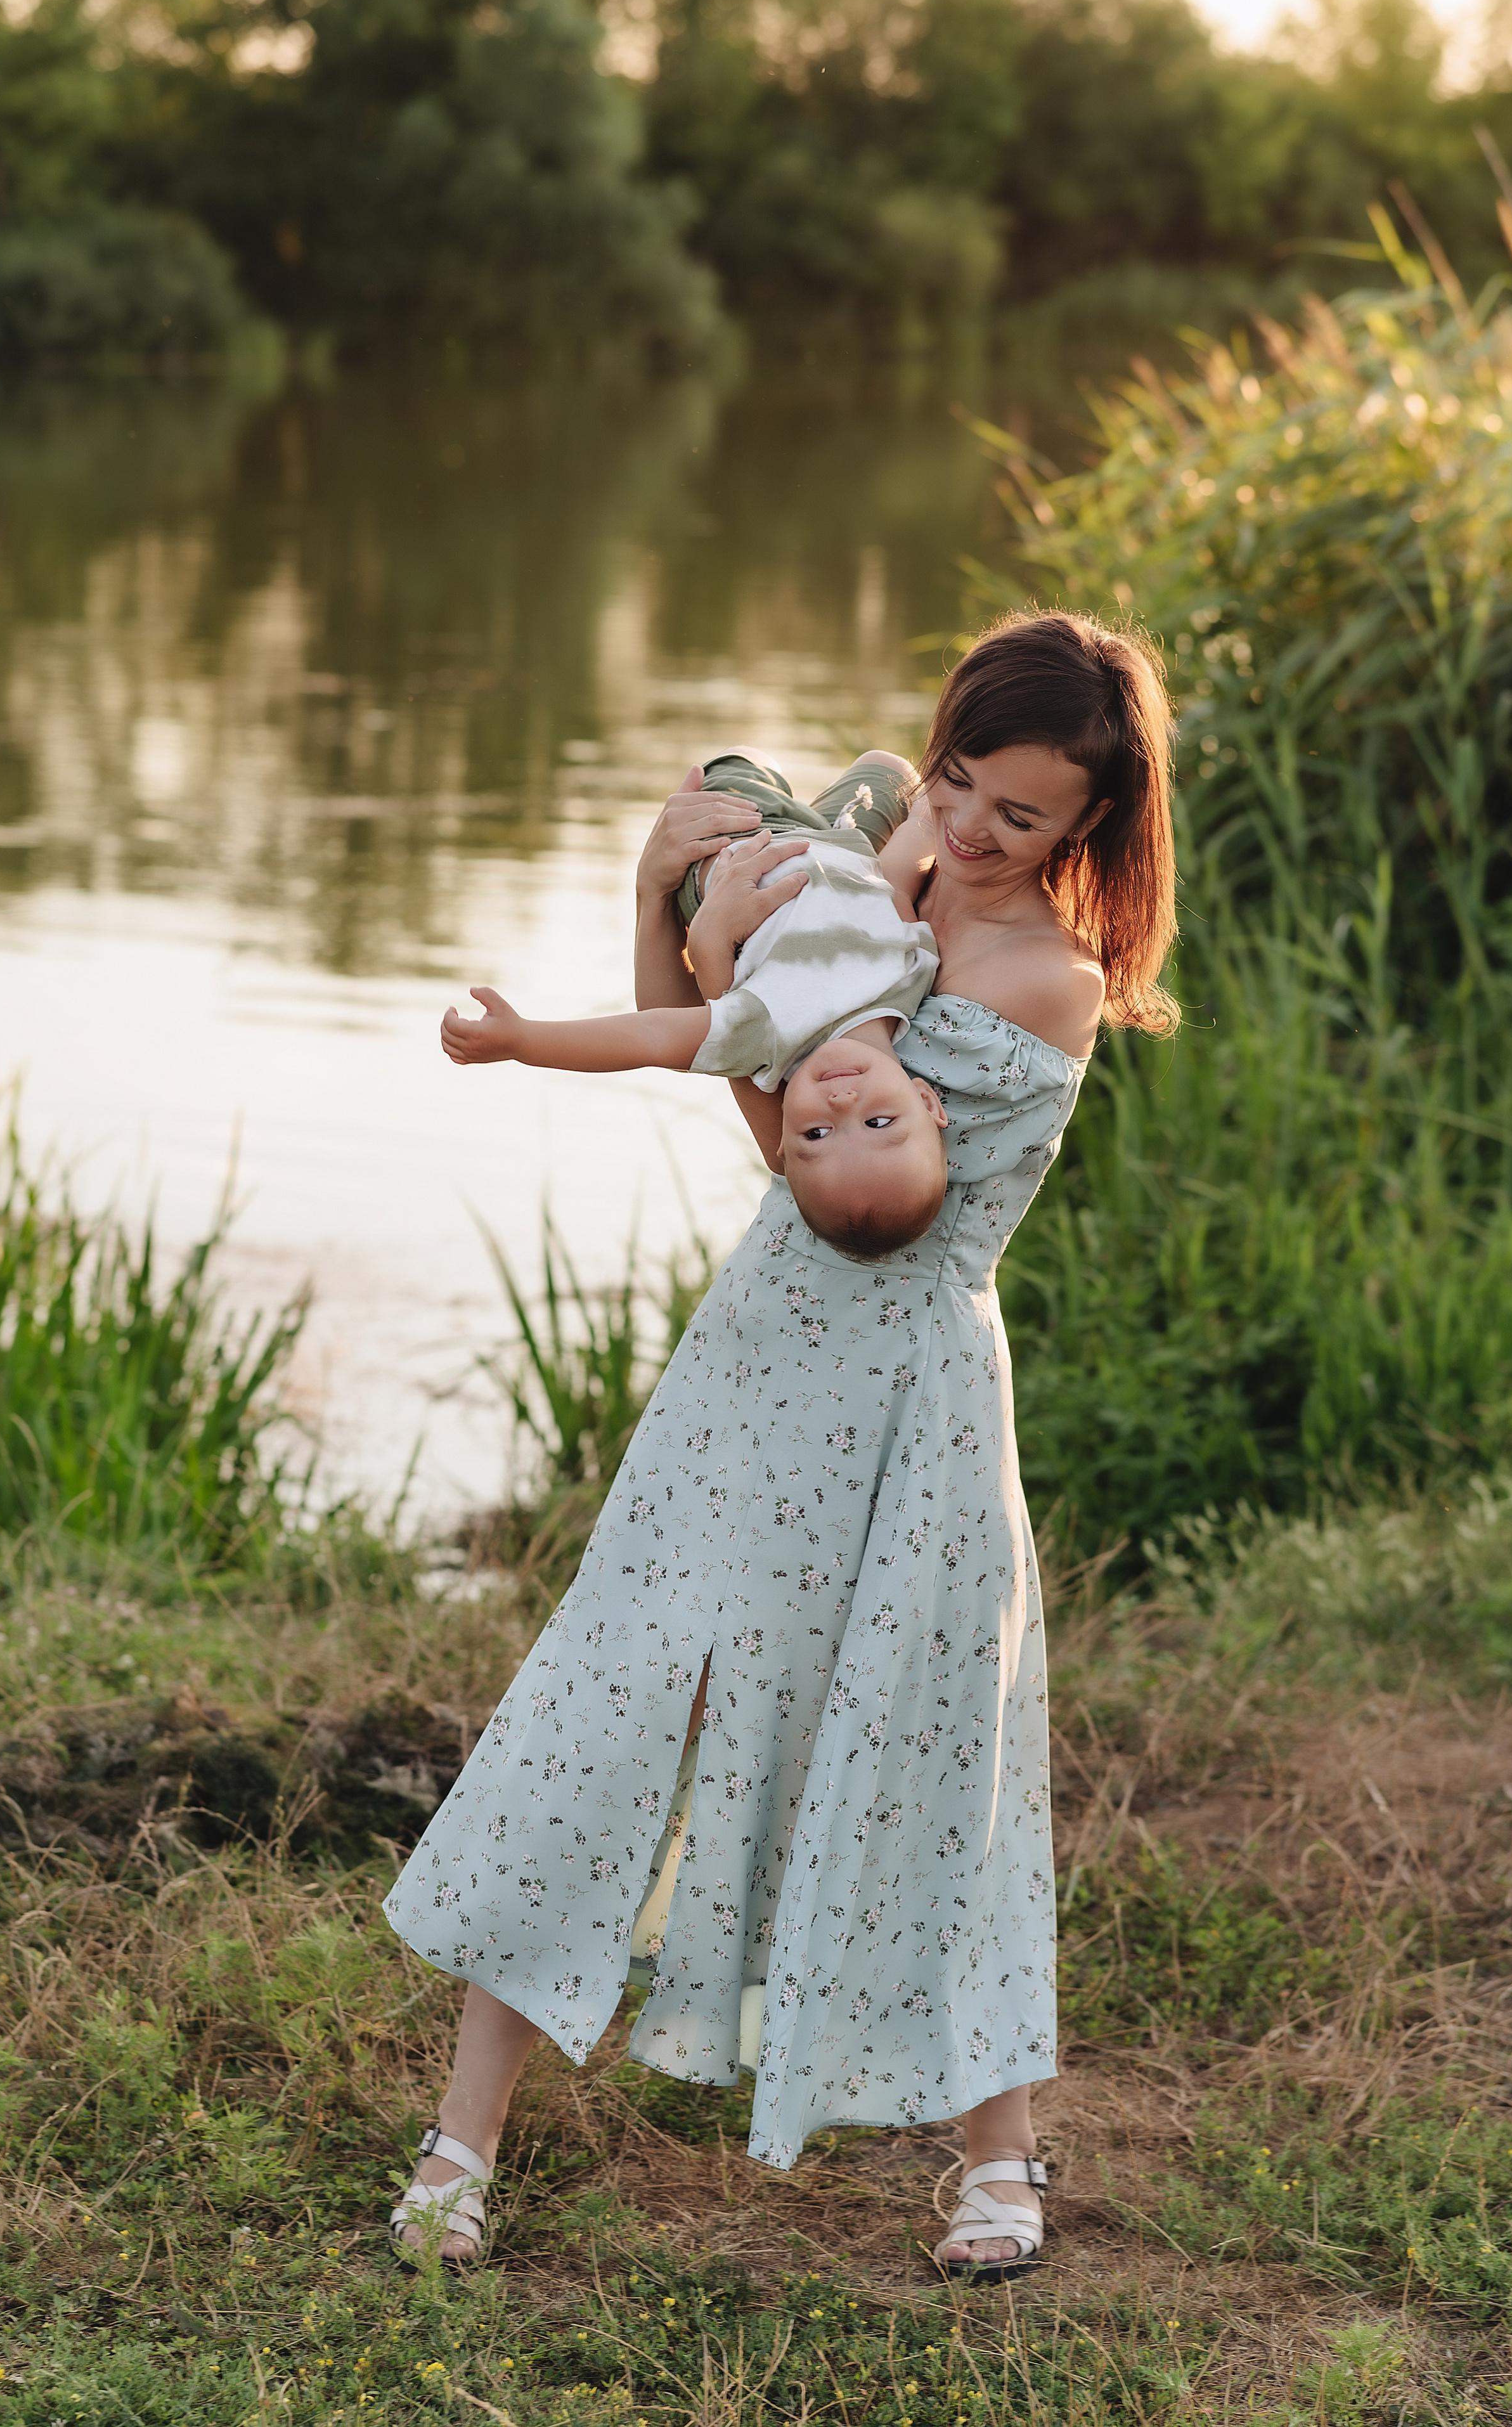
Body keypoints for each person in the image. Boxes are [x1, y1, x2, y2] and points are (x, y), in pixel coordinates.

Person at [383, 608, 1177, 2284]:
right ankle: (459, 2146)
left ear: (1087, 829)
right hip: (753, 1376)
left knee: (925, 1754)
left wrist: (739, 973)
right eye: (957, 778)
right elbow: (706, 1029)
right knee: (616, 1699)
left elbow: (827, 1160)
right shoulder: (884, 873)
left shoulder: (1048, 982)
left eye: (1016, 816)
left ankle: (999, 2155)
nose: (964, 828)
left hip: (905, 1413)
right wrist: (660, 882)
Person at [438, 748, 950, 1259]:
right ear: (926, 1102)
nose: (843, 1106)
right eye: (879, 1123)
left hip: (739, 847)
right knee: (891, 769)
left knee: (734, 767)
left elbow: (651, 1035)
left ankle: (750, 769)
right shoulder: (915, 978)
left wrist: (523, 1040)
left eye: (816, 1134)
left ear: (783, 1144)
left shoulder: (766, 1033)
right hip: (835, 843)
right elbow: (896, 879)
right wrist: (940, 806)